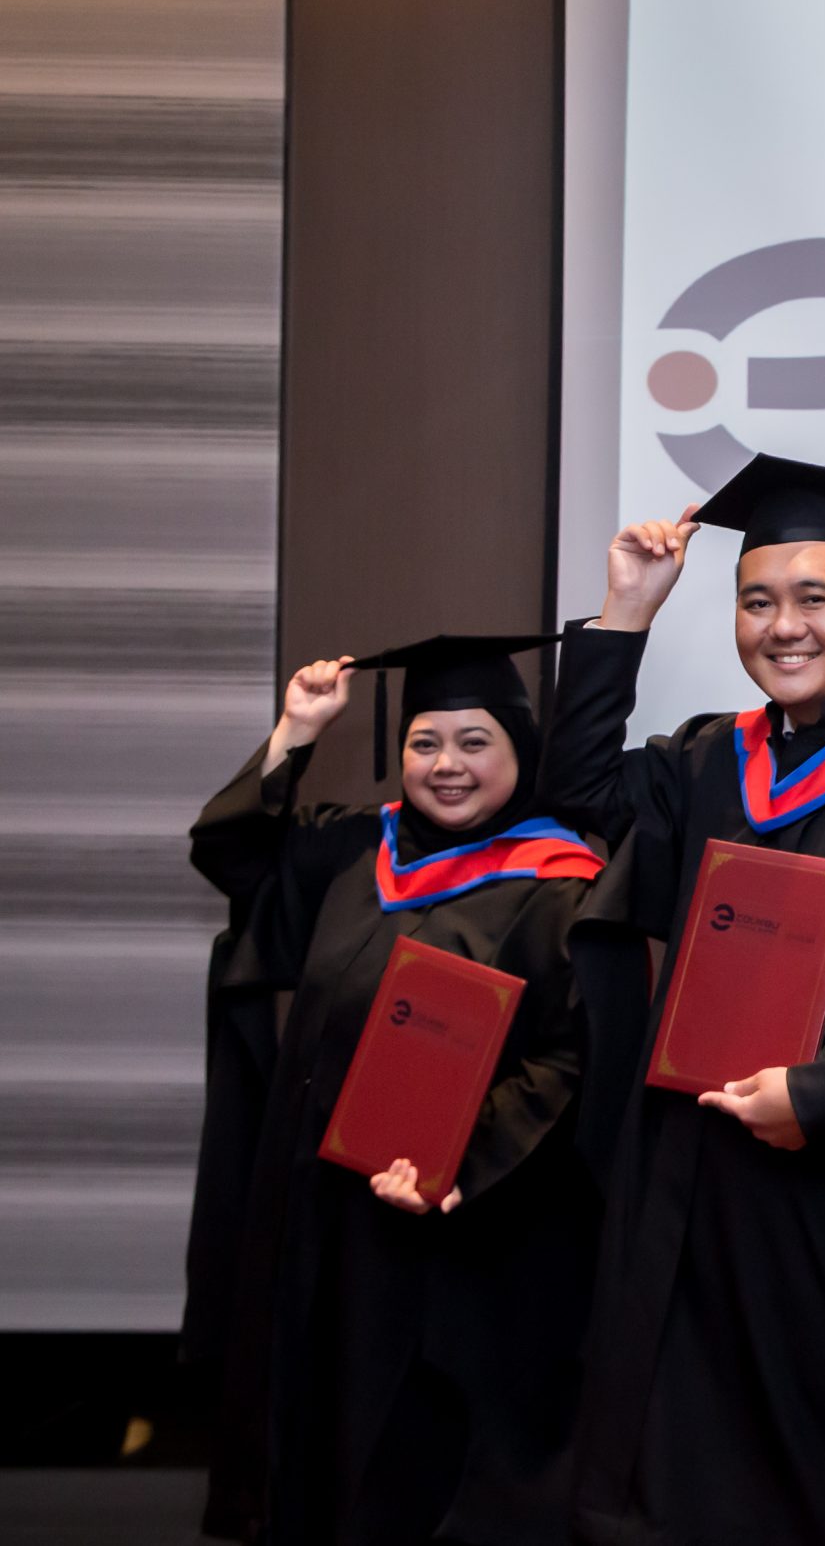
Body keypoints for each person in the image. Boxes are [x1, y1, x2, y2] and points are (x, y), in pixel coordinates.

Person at [539, 455, 825, 1546]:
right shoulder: (712, 758)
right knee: (682, 1474)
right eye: (756, 602)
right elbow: (576, 792)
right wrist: (624, 612)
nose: (782, 627)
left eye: (813, 599)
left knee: (823, 1479)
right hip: (697, 1179)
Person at [188, 634, 604, 1545]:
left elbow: (571, 1057)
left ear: (521, 751)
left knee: (420, 1457)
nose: (447, 765)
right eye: (426, 742)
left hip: (456, 1225)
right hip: (323, 1209)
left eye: (474, 742)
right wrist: (296, 731)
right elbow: (232, 855)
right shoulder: (355, 849)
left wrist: (463, 1154)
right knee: (319, 1431)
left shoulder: (558, 886)